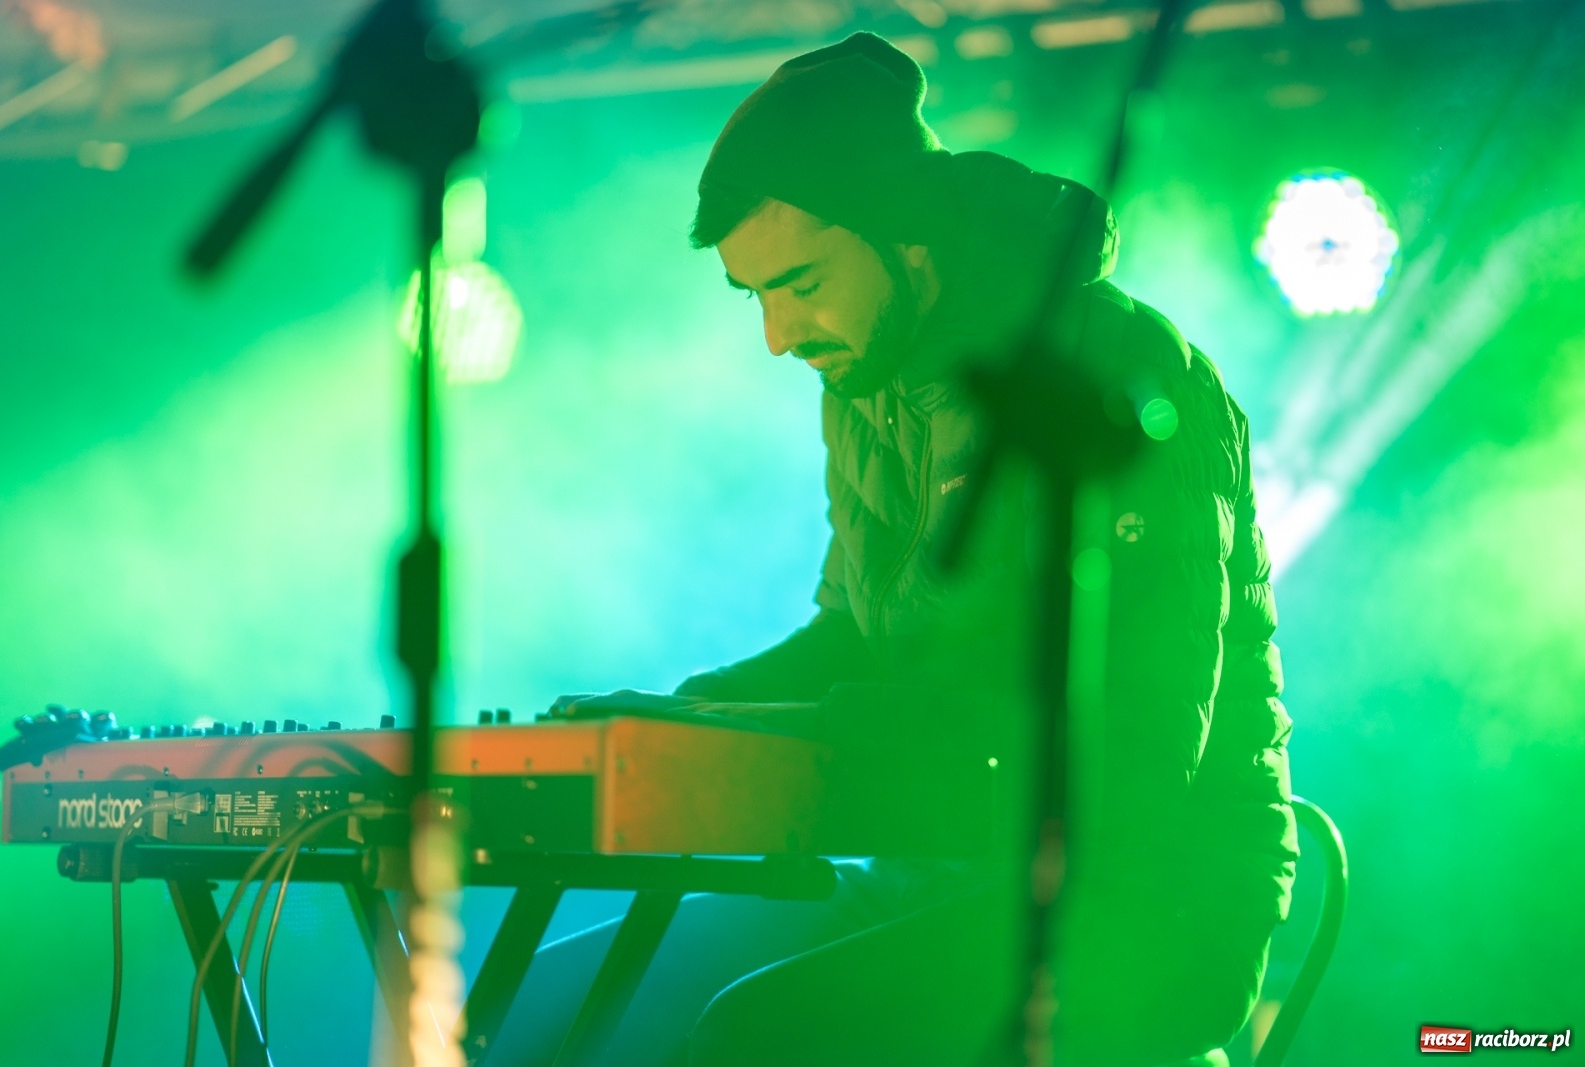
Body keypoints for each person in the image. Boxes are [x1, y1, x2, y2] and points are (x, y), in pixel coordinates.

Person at [494, 31, 1299, 1067]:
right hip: (943, 863)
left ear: (906, 244)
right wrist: (680, 713)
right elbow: (856, 638)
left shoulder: (1114, 365)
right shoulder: (863, 390)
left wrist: (800, 727)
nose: (778, 336)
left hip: (1153, 897)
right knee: (547, 1006)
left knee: (755, 1033)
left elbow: (1134, 750)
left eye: (802, 283)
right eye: (755, 296)